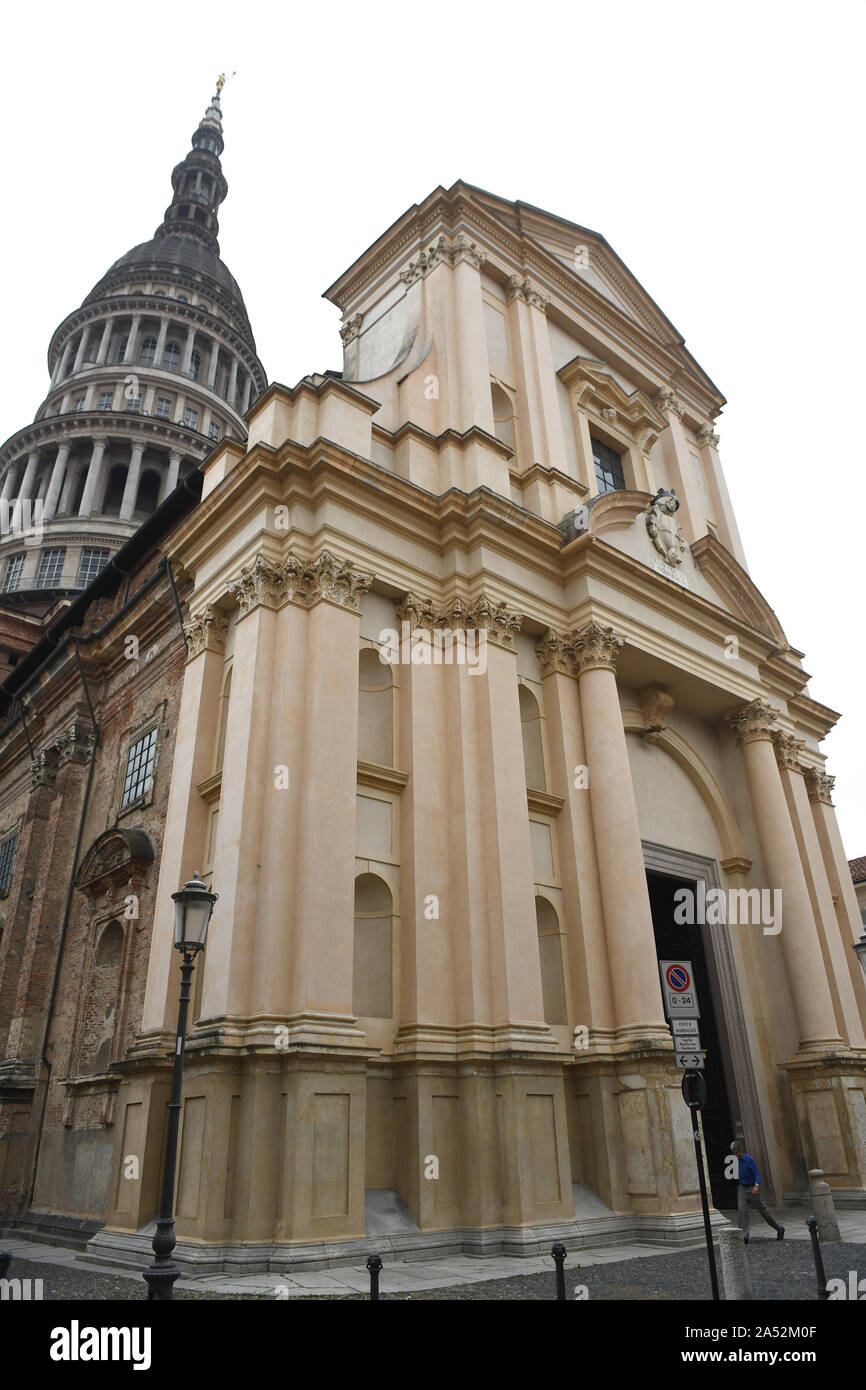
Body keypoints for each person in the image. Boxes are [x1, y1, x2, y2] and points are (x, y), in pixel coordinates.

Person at [730, 1141, 784, 1243]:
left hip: (752, 1188)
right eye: (733, 1152)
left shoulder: (749, 1160)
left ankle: (779, 1228)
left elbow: (757, 1174)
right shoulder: (734, 1161)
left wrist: (756, 1185)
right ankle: (744, 1237)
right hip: (742, 1188)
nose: (735, 1154)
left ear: (741, 1150)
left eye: (736, 1152)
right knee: (742, 1212)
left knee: (764, 1212)